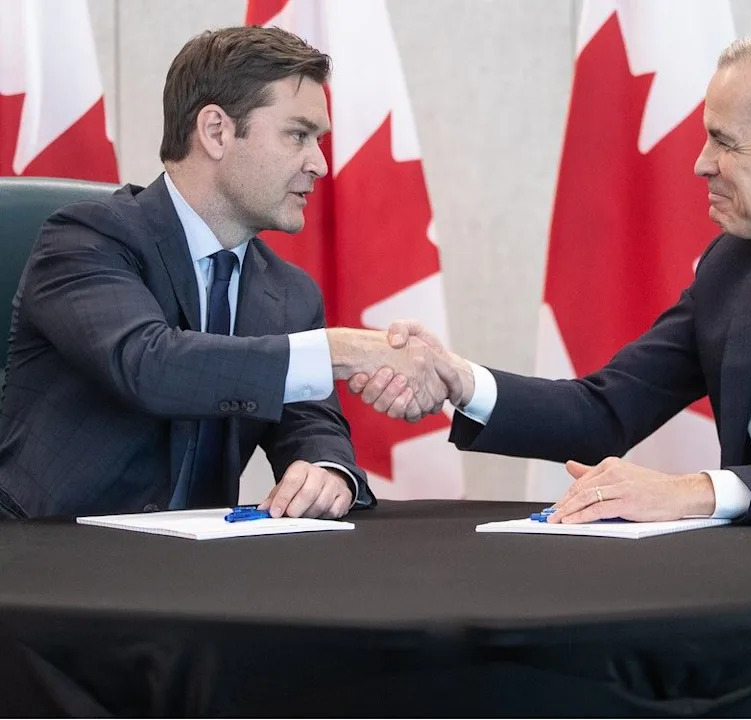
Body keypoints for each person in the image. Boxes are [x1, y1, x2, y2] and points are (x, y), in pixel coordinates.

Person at [354, 29, 751, 572]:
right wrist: (460, 381)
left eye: (725, 143)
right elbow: (606, 410)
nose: (700, 165)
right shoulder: (733, 263)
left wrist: (693, 490)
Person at [0, 26, 457, 520]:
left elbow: (310, 422)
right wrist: (344, 350)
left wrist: (325, 469)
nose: (320, 164)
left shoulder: (290, 293)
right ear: (216, 131)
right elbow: (148, 364)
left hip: (199, 575)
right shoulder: (86, 237)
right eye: (298, 135)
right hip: (48, 563)